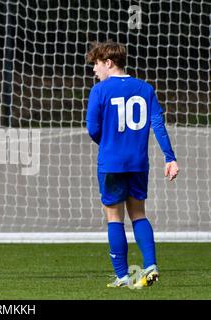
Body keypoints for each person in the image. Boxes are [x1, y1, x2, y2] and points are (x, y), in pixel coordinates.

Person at [85, 40, 179, 288]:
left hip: (111, 163)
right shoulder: (145, 88)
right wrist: (170, 158)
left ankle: (123, 276)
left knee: (114, 217)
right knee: (138, 213)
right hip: (138, 163)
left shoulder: (100, 91)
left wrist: (108, 142)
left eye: (96, 65)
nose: (94, 71)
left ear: (108, 63)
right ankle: (151, 266)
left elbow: (92, 129)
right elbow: (157, 124)